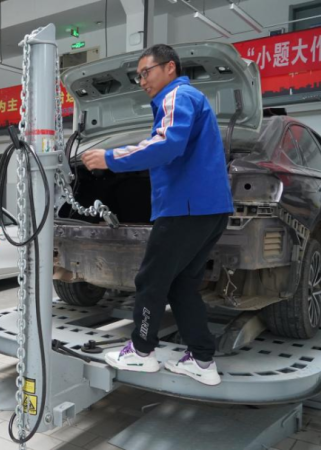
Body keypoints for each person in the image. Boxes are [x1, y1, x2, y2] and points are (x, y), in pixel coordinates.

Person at [82, 44, 233, 386]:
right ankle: (202, 359)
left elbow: (166, 144)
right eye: (139, 76)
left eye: (145, 72)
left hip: (185, 209)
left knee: (151, 280)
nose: (142, 81)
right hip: (208, 210)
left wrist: (110, 158)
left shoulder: (177, 96)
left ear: (170, 67)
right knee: (182, 285)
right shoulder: (190, 100)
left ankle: (141, 351)